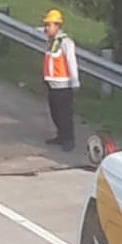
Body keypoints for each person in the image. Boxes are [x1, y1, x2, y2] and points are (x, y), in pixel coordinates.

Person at [42, 8, 79, 151]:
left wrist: (74, 82)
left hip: (63, 86)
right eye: (46, 25)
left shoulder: (66, 42)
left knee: (64, 114)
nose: (46, 28)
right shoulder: (51, 42)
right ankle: (61, 135)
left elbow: (71, 62)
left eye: (49, 25)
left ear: (57, 25)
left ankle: (69, 139)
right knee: (55, 113)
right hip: (52, 84)